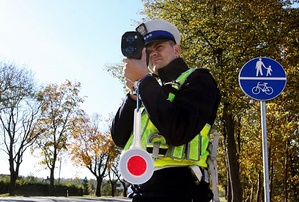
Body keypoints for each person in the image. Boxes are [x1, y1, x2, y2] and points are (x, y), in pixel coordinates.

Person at [111, 19, 221, 202]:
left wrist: (144, 81)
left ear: (176, 50)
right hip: (141, 189)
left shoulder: (199, 79)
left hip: (181, 189)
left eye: (159, 47)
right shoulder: (149, 88)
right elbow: (120, 138)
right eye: (148, 50)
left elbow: (178, 132)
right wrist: (133, 94)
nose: (153, 53)